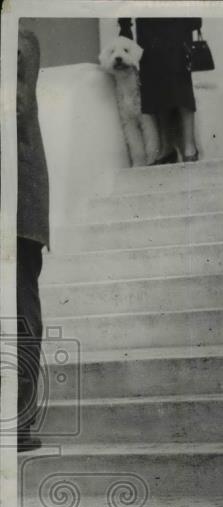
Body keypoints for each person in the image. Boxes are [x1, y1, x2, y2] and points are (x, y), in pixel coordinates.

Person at [16, 25, 50, 453]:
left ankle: (18, 423)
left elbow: (17, 106)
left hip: (19, 207)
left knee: (21, 316)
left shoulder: (19, 40)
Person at [118, 17, 201, 163]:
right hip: (147, 21)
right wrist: (124, 24)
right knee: (155, 82)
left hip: (177, 17)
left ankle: (190, 146)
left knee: (181, 80)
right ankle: (167, 147)